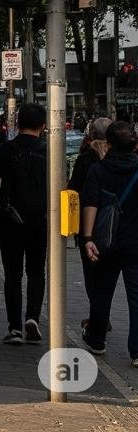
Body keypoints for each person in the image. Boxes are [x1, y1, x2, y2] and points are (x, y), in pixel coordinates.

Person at [0, 103, 48, 344]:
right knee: (36, 270)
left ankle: (15, 328)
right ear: (43, 126)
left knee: (12, 273)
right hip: (39, 219)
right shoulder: (49, 151)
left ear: (17, 123)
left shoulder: (5, 150)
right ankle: (33, 317)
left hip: (10, 219)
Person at [82, 120, 138, 360]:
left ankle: (97, 339)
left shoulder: (98, 170)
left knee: (101, 293)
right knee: (136, 298)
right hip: (135, 243)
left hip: (105, 242)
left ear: (109, 143)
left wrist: (87, 238)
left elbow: (91, 204)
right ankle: (136, 351)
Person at [70, 116, 112, 333]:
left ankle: (99, 317)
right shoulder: (122, 159)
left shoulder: (86, 160)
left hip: (89, 227)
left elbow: (73, 192)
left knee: (92, 274)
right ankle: (102, 316)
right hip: (115, 227)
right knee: (108, 276)